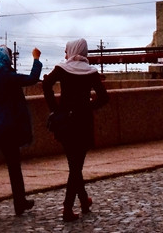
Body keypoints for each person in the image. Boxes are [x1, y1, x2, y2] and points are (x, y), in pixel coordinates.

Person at [42, 38, 109, 222]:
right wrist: (88, 107)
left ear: (72, 50)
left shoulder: (62, 69)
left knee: (74, 165)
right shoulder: (91, 72)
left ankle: (83, 201)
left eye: (66, 50)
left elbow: (46, 85)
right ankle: (68, 207)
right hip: (83, 123)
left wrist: (55, 109)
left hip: (65, 122)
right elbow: (104, 98)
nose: (65, 54)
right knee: (76, 166)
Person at [0, 45, 42, 224]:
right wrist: (36, 59)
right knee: (14, 167)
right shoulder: (5, 76)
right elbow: (32, 79)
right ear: (5, 59)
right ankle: (20, 202)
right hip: (5, 127)